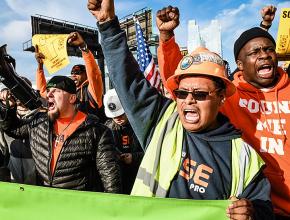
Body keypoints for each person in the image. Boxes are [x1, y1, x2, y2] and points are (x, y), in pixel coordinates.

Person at [87, 1, 274, 219]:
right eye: (181, 93)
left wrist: (251, 212)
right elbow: (127, 79)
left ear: (221, 97)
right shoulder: (162, 119)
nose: (188, 101)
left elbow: (264, 209)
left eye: (200, 94)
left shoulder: (244, 157)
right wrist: (107, 24)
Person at [155, 5, 289, 219]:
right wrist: (167, 38)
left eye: (269, 50)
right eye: (255, 52)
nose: (264, 56)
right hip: (256, 204)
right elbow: (186, 78)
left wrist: (265, 26)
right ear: (240, 65)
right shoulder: (229, 94)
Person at [0, 75, 121, 192]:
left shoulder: (96, 131)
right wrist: (8, 107)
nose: (48, 95)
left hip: (78, 204)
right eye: (48, 91)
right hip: (45, 200)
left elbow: (110, 176)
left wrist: (112, 209)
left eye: (56, 91)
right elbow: (13, 129)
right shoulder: (39, 122)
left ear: (72, 98)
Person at [35, 31, 107, 122]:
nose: (73, 75)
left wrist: (83, 48)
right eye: (72, 72)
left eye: (77, 72)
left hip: (92, 133)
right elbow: (43, 92)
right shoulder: (68, 92)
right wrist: (40, 67)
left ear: (86, 74)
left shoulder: (91, 91)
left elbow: (94, 75)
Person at [104, 89, 144, 194]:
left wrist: (134, 158)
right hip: (119, 180)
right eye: (114, 116)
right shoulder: (106, 129)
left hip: (140, 179)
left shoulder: (142, 126)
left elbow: (154, 153)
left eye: (121, 114)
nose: (117, 118)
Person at [0, 77, 38, 185]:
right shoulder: (6, 115)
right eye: (14, 92)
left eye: (20, 91)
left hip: (36, 170)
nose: (16, 95)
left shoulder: (40, 115)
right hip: (12, 167)